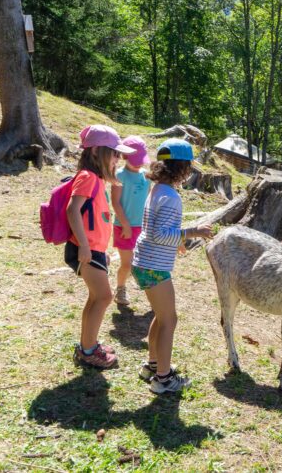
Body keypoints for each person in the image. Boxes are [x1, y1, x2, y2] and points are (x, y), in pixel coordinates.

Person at [132, 138, 213, 394]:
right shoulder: (171, 197)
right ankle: (163, 379)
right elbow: (159, 233)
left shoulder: (157, 188)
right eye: (189, 167)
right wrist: (191, 232)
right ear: (182, 168)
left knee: (161, 316)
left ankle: (153, 365)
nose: (190, 172)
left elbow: (157, 229)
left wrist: (176, 238)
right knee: (169, 319)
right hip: (154, 265)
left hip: (144, 261)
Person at [66, 125, 136, 369]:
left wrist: (99, 249)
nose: (118, 158)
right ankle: (88, 351)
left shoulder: (95, 180)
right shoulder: (87, 177)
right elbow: (72, 210)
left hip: (93, 249)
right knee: (104, 296)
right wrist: (85, 246)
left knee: (97, 297)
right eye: (114, 153)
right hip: (86, 250)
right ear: (96, 151)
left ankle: (88, 345)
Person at [110, 136, 150, 307]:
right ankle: (120, 288)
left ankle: (153, 293)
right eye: (135, 160)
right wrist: (125, 224)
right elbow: (115, 202)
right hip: (123, 227)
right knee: (127, 264)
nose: (139, 164)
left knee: (143, 262)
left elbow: (148, 201)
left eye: (141, 160)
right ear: (124, 156)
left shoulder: (147, 176)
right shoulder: (120, 175)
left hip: (142, 227)